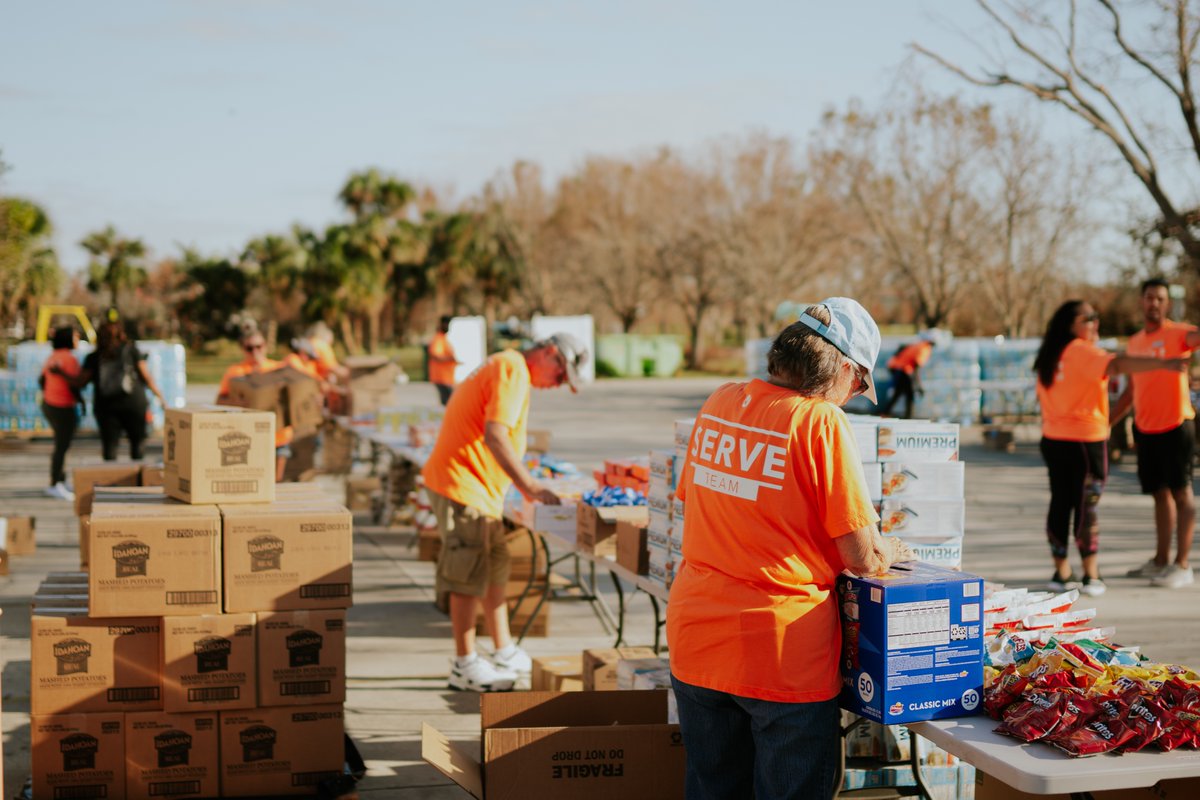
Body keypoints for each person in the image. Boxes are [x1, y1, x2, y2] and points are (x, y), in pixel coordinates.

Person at [666, 298, 914, 800]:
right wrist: (891, 545)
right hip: (778, 654)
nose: (854, 395)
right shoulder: (819, 422)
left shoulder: (720, 400)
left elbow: (695, 497)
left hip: (697, 638)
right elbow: (862, 556)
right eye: (860, 383)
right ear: (843, 367)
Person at [421, 333, 588, 692]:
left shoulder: (506, 365)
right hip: (464, 486)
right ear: (549, 353)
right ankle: (464, 664)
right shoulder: (512, 369)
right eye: (560, 376)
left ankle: (503, 649)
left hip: (478, 489)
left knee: (494, 565)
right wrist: (530, 486)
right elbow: (495, 435)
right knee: (467, 575)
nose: (557, 385)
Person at [1034, 300, 1186, 597]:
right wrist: (1163, 363)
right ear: (1071, 326)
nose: (1095, 323)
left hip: (1053, 439)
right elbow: (1116, 365)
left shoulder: (1049, 355)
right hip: (1085, 442)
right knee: (1086, 506)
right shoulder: (1082, 351)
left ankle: (1061, 571)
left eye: (1096, 317)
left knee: (1060, 502)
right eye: (1088, 318)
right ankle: (1091, 575)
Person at [1113, 278, 1200, 589]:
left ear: (1168, 304)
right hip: (1146, 429)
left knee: (1182, 493)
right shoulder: (1135, 342)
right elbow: (1130, 391)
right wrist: (1107, 421)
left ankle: (1182, 565)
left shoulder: (1179, 334)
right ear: (1141, 301)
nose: (1154, 303)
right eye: (1149, 297)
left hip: (1177, 426)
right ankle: (1161, 561)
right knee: (1159, 495)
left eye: (1160, 299)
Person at [58, 319, 165, 461]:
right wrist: (160, 397)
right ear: (121, 334)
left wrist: (61, 373)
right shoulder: (131, 350)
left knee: (110, 448)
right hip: (134, 404)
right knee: (137, 445)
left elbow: (80, 382)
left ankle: (111, 480)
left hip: (106, 407)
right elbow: (146, 377)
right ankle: (138, 480)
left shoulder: (94, 357)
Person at [217, 329, 292, 482]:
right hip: (248, 437)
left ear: (265, 346)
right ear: (243, 349)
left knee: (277, 483)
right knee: (254, 482)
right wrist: (234, 402)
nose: (255, 351)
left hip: (279, 436)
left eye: (259, 346)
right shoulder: (235, 372)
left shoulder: (279, 369)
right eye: (250, 348)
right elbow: (219, 400)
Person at [40, 326, 82, 500]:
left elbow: (41, 379)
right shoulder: (69, 359)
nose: (78, 338)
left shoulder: (52, 357)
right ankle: (55, 483)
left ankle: (60, 481)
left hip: (49, 405)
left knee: (61, 445)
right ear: (68, 339)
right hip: (63, 407)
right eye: (75, 336)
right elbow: (76, 383)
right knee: (62, 446)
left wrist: (50, 393)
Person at [880, 331, 935, 418]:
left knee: (898, 393)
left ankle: (886, 413)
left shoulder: (918, 345)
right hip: (904, 371)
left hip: (898, 369)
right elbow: (916, 367)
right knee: (910, 395)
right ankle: (908, 417)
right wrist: (919, 386)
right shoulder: (925, 348)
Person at [427, 315, 460, 406]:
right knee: (449, 403)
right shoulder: (438, 339)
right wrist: (450, 359)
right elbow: (436, 356)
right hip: (441, 377)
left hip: (447, 377)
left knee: (450, 403)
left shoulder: (443, 339)